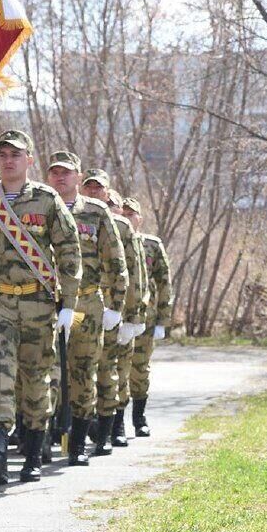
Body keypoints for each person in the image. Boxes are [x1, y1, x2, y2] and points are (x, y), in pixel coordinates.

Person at [0, 130, 82, 484]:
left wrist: (68, 303)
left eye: (16, 154)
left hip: (37, 302)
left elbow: (70, 251)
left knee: (35, 379)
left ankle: (33, 453)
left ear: (29, 160)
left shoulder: (47, 200)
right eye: (3, 155)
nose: (9, 160)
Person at [47, 151, 128, 464]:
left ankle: (77, 445)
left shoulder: (95, 212)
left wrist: (116, 305)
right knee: (47, 373)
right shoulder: (41, 208)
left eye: (66, 172)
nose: (60, 177)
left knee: (81, 372)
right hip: (48, 303)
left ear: (77, 176)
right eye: (54, 172)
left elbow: (115, 260)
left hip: (85, 303)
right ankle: (41, 443)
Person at [80, 171, 148, 451]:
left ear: (108, 193)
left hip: (111, 307)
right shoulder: (70, 216)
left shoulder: (121, 227)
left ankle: (115, 424)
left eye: (99, 188)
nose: (94, 192)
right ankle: (77, 428)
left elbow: (133, 272)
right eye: (89, 187)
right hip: (80, 308)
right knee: (80, 370)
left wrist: (133, 316)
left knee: (110, 369)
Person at [123, 197, 173, 438]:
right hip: (118, 316)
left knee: (139, 369)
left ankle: (139, 417)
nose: (126, 217)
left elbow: (164, 284)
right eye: (123, 213)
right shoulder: (112, 241)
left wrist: (163, 320)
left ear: (139, 219)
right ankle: (114, 422)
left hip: (146, 317)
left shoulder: (151, 245)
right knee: (116, 370)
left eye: (131, 214)